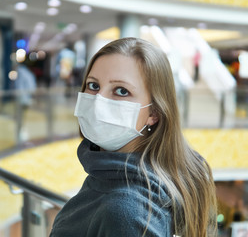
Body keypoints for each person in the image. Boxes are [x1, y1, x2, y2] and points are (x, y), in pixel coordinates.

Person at [49, 38, 217, 237]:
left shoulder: (127, 212)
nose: (97, 102)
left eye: (121, 91)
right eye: (93, 86)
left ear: (154, 113)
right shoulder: (109, 172)